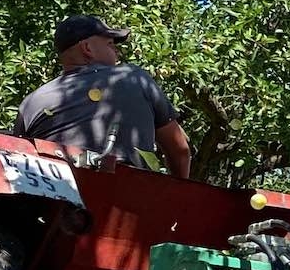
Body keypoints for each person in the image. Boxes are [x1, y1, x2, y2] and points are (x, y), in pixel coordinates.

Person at [14, 14, 192, 178]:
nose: (117, 52)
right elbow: (180, 150)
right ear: (87, 48)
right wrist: (177, 197)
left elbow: (18, 160)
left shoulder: (31, 102)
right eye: (110, 45)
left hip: (56, 201)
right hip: (128, 200)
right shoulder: (133, 78)